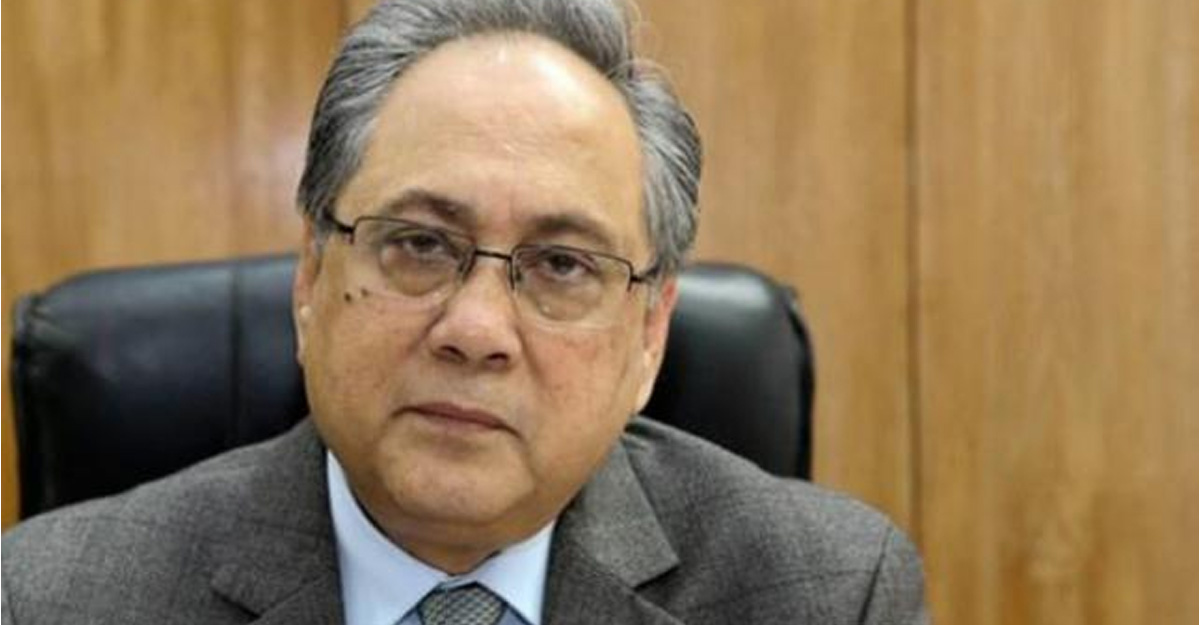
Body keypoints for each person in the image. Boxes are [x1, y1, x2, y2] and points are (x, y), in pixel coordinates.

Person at [2, 0, 928, 623]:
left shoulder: (830, 594)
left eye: (561, 264)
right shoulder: (53, 600)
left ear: (650, 335)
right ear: (312, 280)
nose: (476, 330)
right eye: (419, 244)